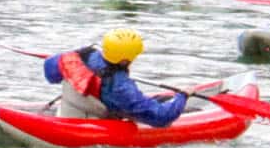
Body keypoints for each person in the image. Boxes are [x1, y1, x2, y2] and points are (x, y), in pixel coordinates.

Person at [41, 28, 187, 126]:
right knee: (160, 107)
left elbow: (50, 73)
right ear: (125, 60)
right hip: (89, 126)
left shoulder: (83, 54)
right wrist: (183, 97)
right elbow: (161, 118)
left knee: (159, 100)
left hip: (65, 112)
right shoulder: (121, 86)